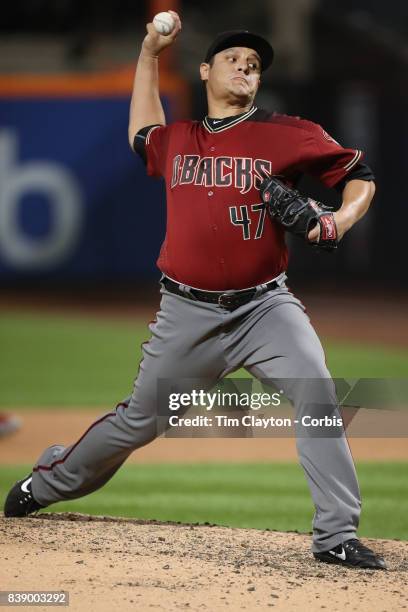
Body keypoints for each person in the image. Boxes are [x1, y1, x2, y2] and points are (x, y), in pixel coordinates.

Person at [4, 11, 386, 570]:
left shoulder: (290, 133)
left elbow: (362, 174)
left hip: (265, 308)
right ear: (205, 71)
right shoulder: (178, 138)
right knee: (138, 420)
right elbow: (141, 131)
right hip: (187, 311)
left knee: (319, 397)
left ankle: (336, 536)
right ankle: (46, 484)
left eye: (254, 64)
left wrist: (338, 222)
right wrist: (149, 56)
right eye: (233, 58)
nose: (245, 67)